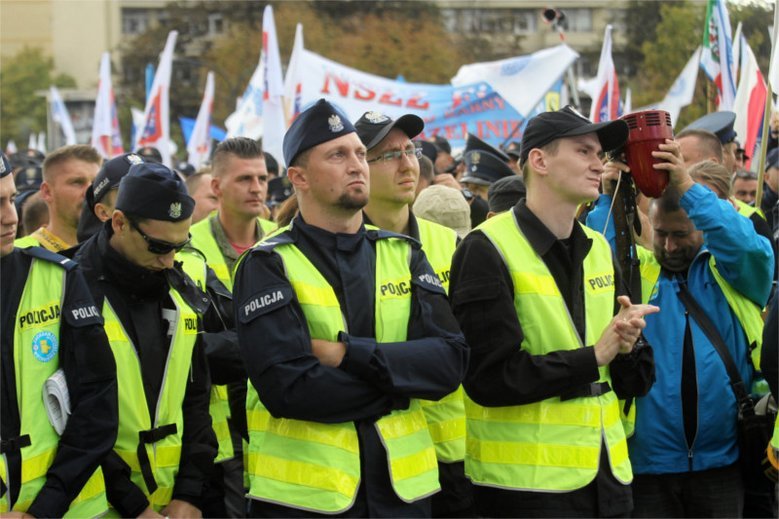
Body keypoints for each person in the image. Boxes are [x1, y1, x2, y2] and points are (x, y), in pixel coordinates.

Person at [235, 99, 468, 518]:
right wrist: (401, 387)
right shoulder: (267, 263)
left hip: (404, 496)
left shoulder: (404, 253)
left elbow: (450, 364)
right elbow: (289, 389)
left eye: (360, 153)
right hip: (307, 502)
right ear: (298, 177)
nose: (356, 164)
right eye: (338, 155)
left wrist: (347, 354)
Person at [449, 105, 658, 518]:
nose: (598, 163)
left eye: (599, 153)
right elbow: (487, 378)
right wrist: (592, 357)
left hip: (607, 478)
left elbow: (634, 382)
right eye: (583, 151)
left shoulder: (598, 248)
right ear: (539, 161)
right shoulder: (485, 247)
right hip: (524, 488)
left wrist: (630, 347)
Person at [589, 142, 774, 517]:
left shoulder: (733, 277)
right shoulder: (637, 274)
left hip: (721, 464)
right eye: (661, 234)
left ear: (704, 230)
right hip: (648, 466)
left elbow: (747, 247)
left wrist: (688, 186)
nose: (669, 246)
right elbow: (599, 250)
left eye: (681, 234)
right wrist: (610, 197)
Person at [74, 162, 217, 517]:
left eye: (178, 247)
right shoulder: (70, 289)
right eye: (157, 246)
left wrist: (190, 492)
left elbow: (196, 397)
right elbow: (69, 420)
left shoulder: (179, 286)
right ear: (118, 222)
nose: (169, 261)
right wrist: (133, 505)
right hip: (100, 504)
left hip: (175, 501)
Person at [355, 110, 473, 516]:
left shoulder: (452, 244)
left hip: (459, 451)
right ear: (357, 167)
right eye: (388, 155)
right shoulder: (344, 251)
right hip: (385, 453)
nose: (408, 163)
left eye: (410, 150)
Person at [0, 152, 118, 517]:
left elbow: (97, 399)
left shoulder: (56, 277)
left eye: (9, 198)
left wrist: (46, 507)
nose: (10, 216)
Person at [189, 137, 275, 291]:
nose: (256, 188)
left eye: (262, 179)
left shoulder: (280, 236)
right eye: (245, 179)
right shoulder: (188, 243)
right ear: (216, 187)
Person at [15, 145, 101, 251]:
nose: (90, 192)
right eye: (77, 182)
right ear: (47, 192)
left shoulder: (115, 252)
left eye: (96, 183)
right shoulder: (17, 255)